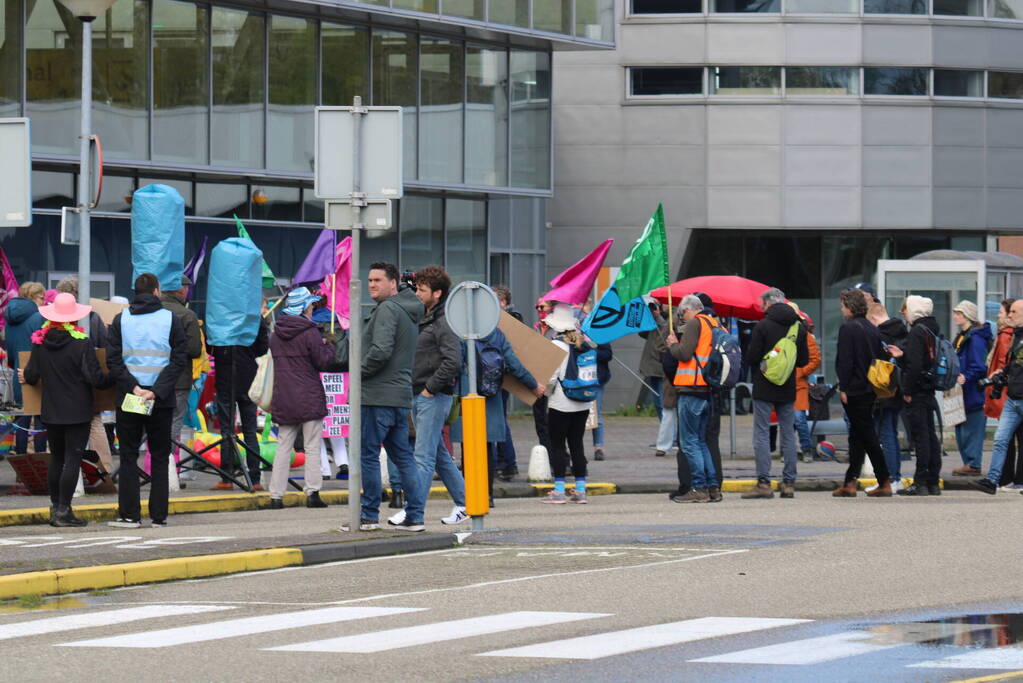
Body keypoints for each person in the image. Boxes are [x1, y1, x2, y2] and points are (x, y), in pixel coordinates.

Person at [336, 263, 424, 531]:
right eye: (370, 280)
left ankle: (369, 515)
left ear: (393, 283)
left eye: (377, 280)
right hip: (398, 396)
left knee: (368, 455)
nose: (372, 285)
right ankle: (415, 516)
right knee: (403, 458)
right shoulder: (409, 310)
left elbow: (380, 350)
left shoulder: (388, 309)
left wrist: (357, 374)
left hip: (375, 396)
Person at [21, 293, 111, 526]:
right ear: (74, 319)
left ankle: (55, 508)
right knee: (73, 459)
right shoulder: (81, 344)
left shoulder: (40, 343)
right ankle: (64, 511)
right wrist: (112, 378)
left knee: (57, 459)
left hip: (51, 411)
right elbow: (96, 379)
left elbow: (31, 376)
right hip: (78, 411)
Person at [106, 273, 188, 528]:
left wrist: (134, 387)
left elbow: (113, 360)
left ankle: (129, 515)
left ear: (135, 292)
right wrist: (157, 390)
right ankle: (159, 516)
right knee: (160, 455)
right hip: (161, 398)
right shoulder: (170, 318)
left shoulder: (121, 319)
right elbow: (179, 358)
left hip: (130, 396)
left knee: (129, 455)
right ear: (156, 291)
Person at [391, 266, 466, 526]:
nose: (418, 294)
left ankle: (413, 512)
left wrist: (429, 389)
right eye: (418, 289)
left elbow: (453, 361)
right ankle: (467, 502)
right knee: (439, 455)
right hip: (422, 394)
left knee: (422, 457)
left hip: (432, 396)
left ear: (437, 293)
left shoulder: (443, 321)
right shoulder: (428, 317)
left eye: (423, 290)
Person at [267, 287, 334, 509]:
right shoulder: (310, 332)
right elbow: (322, 362)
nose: (313, 308)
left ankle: (276, 495)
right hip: (309, 396)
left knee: (284, 446)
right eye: (311, 305)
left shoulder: (276, 334)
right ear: (305, 307)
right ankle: (312, 493)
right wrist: (330, 346)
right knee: (312, 446)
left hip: (284, 396)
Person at [741, 288, 808, 500]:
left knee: (761, 432)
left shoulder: (763, 326)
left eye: (763, 305)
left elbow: (751, 357)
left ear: (769, 303)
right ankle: (788, 483)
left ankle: (764, 483)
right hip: (787, 387)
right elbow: (803, 361)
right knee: (788, 433)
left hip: (764, 385)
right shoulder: (798, 326)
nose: (762, 308)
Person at [831, 289, 893, 498]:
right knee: (857, 437)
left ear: (849, 307)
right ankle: (850, 481)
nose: (841, 310)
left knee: (867, 436)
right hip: (870, 388)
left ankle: (884, 480)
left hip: (855, 389)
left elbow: (845, 361)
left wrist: (844, 388)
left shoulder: (848, 328)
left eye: (842, 306)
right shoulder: (871, 327)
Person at [667, 295, 724, 503]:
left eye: (682, 313)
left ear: (690, 309)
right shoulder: (715, 323)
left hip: (691, 388)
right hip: (708, 390)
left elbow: (683, 353)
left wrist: (673, 344)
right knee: (701, 442)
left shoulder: (695, 323)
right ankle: (713, 488)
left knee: (690, 442)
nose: (682, 317)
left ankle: (698, 488)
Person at [209, 314, 270, 491]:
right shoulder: (254, 317)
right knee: (250, 431)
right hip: (248, 378)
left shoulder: (220, 314)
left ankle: (227, 478)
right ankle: (254, 478)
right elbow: (262, 348)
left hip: (225, 376)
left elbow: (210, 347)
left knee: (227, 431)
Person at [970, 299, 1023, 495]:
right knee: (1000, 439)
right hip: (1013, 398)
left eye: (1014, 312)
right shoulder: (1017, 336)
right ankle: (992, 480)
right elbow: (1015, 364)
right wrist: (1001, 374)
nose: (1010, 315)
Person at [540, 305, 592, 504]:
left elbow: (551, 378)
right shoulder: (583, 343)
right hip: (583, 402)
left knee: (558, 446)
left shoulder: (556, 345)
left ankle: (559, 490)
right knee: (577, 444)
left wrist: (545, 392)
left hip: (561, 403)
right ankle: (580, 490)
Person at [897, 295, 943, 497]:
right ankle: (933, 480)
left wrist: (907, 391)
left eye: (905, 310)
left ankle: (920, 481)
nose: (904, 314)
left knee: (920, 436)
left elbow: (915, 365)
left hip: (917, 390)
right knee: (930, 435)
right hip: (928, 388)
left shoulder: (916, 331)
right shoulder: (932, 328)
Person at [159, 275, 203, 483]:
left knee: (147, 425)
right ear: (181, 290)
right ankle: (166, 473)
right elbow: (195, 350)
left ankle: (147, 468)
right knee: (174, 424)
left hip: (146, 381)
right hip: (178, 381)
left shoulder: (149, 313)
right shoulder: (187, 315)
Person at [868, 301, 909, 492]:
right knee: (890, 432)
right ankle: (893, 477)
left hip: (881, 391)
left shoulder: (880, 335)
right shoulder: (902, 331)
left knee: (885, 434)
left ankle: (891, 477)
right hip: (896, 390)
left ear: (874, 318)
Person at [950, 300, 993, 476]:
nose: (955, 316)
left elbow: (979, 365)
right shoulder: (963, 336)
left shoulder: (975, 338)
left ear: (968, 316)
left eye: (959, 313)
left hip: (972, 390)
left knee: (972, 428)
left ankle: (973, 463)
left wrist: (966, 377)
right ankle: (969, 462)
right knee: (961, 427)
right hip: (963, 389)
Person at [7, 282, 47, 454]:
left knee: (21, 424)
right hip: (37, 375)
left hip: (17, 374)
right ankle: (40, 466)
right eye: (41, 297)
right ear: (32, 296)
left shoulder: (9, 320)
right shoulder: (40, 317)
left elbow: (9, 353)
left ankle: (22, 472)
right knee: (40, 423)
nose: (44, 302)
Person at [494, 285, 521, 481]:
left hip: (500, 377)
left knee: (499, 421)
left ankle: (508, 462)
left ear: (503, 302)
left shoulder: (511, 321)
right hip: (497, 376)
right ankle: (503, 461)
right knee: (498, 420)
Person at [792, 310, 820, 464]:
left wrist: (801, 372)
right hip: (786, 384)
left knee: (799, 419)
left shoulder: (807, 337)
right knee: (788, 421)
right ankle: (790, 450)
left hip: (799, 384)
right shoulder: (784, 335)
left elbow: (815, 360)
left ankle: (806, 448)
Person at [639, 305, 668, 420]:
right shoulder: (655, 321)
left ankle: (666, 429)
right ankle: (664, 427)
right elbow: (642, 333)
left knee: (662, 402)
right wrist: (648, 318)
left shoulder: (670, 316)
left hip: (660, 366)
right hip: (653, 366)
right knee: (658, 402)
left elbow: (666, 329)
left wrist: (658, 317)